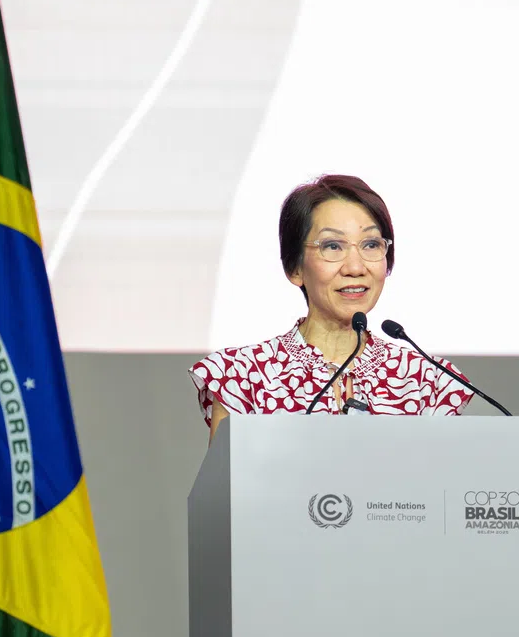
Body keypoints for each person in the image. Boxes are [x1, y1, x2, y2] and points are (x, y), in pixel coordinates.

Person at [189, 174, 474, 443]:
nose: (355, 267)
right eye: (333, 246)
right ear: (295, 267)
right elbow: (226, 493)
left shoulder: (427, 381)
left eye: (371, 244)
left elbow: (440, 490)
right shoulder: (241, 377)